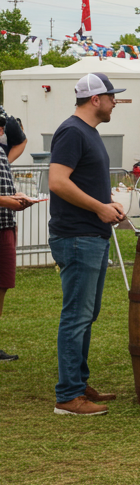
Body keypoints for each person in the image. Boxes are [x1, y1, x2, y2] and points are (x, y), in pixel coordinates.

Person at [49, 73, 128, 416]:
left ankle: (78, 384)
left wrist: (108, 202)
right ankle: (68, 396)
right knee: (76, 317)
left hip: (91, 235)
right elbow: (57, 182)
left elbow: (78, 181)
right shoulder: (72, 131)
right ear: (95, 99)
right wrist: (99, 208)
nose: (115, 102)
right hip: (78, 236)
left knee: (87, 314)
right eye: (111, 96)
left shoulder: (88, 133)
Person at [0, 106, 34, 362]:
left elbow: (20, 139)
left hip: (4, 224)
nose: (2, 130)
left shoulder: (2, 151)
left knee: (2, 284)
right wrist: (6, 201)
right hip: (4, 214)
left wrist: (13, 199)